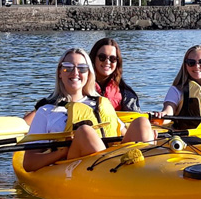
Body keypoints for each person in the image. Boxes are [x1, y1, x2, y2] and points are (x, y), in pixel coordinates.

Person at [23, 48, 154, 172]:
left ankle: (149, 172)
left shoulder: (101, 103)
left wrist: (149, 137)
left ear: (89, 74)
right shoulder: (47, 111)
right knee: (85, 132)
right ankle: (114, 174)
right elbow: (29, 163)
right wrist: (62, 152)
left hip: (115, 161)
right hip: (78, 168)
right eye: (68, 67)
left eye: (82, 68)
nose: (75, 73)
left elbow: (124, 137)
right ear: (59, 72)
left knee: (141, 123)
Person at [89, 38, 141, 112]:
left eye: (112, 58)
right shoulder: (81, 87)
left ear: (117, 62)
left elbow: (135, 117)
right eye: (102, 57)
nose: (107, 62)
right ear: (93, 58)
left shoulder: (125, 93)